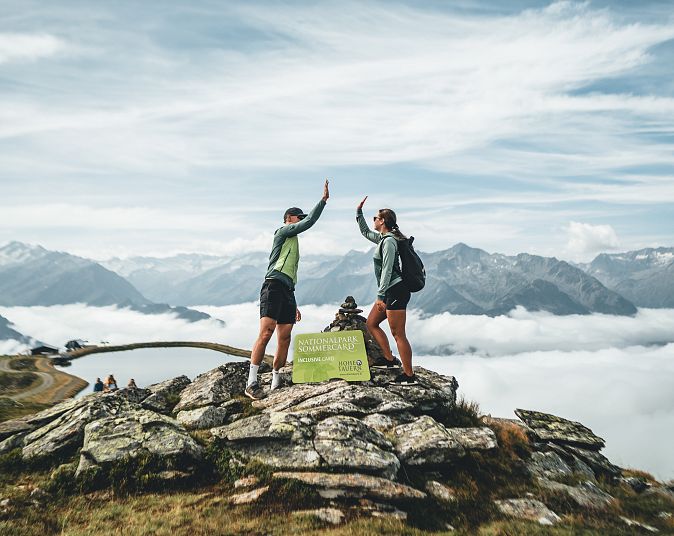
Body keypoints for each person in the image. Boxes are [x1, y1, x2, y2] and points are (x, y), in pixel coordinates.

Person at [245, 180, 330, 400]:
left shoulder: (293, 241)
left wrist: (293, 299)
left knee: (285, 337)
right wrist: (322, 201)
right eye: (298, 218)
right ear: (289, 219)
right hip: (272, 285)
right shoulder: (283, 231)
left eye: (301, 218)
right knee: (266, 332)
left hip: (286, 290)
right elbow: (309, 221)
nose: (300, 221)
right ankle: (251, 382)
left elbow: (289, 273)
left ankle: (276, 382)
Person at [356, 196, 417, 385]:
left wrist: (380, 295)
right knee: (372, 323)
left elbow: (388, 269)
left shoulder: (389, 242)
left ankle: (409, 375)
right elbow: (366, 232)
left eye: (375, 217)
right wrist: (359, 213)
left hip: (396, 290)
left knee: (398, 334)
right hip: (390, 291)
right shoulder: (383, 239)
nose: (374, 220)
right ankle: (389, 359)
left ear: (382, 221)